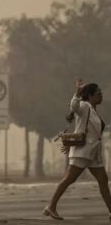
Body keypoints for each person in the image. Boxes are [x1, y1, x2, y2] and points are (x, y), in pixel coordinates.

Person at [43, 79, 111, 220]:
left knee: (103, 180)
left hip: (93, 153)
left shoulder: (93, 110)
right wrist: (77, 92)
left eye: (101, 93)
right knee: (69, 179)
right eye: (98, 94)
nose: (101, 96)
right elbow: (74, 107)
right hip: (83, 152)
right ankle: (51, 206)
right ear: (90, 96)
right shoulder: (84, 106)